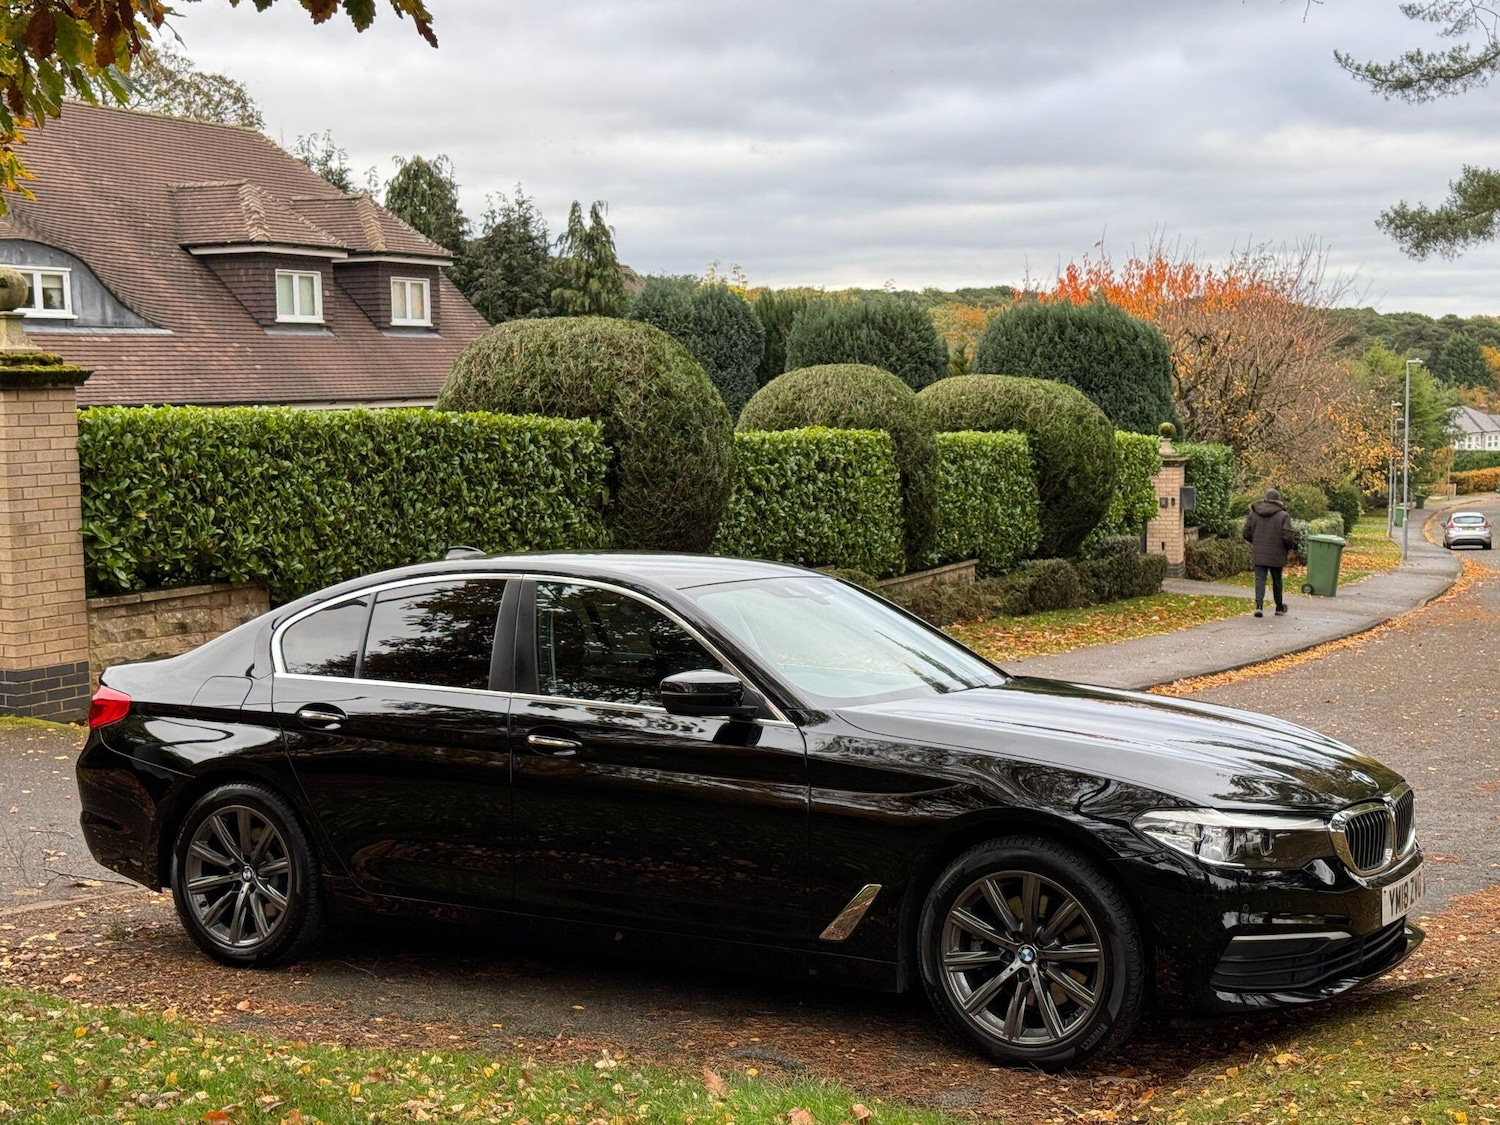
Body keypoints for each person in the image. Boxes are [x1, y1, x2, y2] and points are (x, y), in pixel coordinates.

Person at [1242, 486, 1297, 618]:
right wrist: (1290, 547)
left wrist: (1256, 542)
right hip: (1277, 554)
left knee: (1260, 579)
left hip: (1259, 552)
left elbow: (1246, 533)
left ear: (1266, 499)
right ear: (1278, 501)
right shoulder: (1284, 516)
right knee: (1277, 580)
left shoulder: (1254, 514)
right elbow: (1287, 536)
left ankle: (1259, 606)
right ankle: (1278, 607)